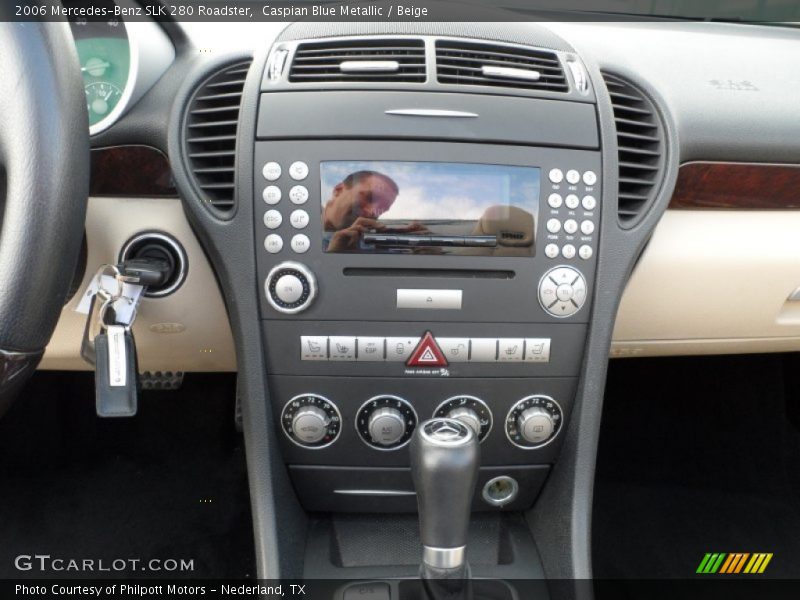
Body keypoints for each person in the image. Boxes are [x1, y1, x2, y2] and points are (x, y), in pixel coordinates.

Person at [322, 170, 399, 252]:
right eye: (369, 198)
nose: (372, 213)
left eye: (383, 209)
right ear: (339, 190)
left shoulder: (371, 246)